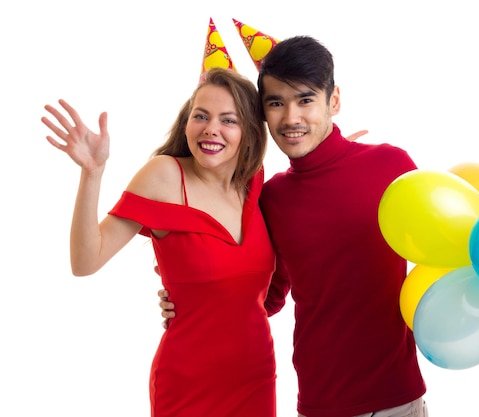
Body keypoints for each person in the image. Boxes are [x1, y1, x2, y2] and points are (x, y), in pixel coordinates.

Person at [160, 36, 429, 416]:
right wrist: (192, 298)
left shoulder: (392, 167)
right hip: (319, 403)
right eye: (275, 103)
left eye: (305, 100)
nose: (290, 118)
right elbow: (265, 299)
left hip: (397, 399)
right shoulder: (272, 198)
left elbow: (436, 250)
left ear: (333, 100)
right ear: (262, 113)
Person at [42, 68, 277, 417]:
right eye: (201, 116)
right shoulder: (165, 176)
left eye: (228, 119)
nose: (211, 127)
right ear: (186, 123)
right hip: (188, 384)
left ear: (250, 132)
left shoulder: (253, 185)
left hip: (255, 376)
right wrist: (92, 172)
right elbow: (85, 262)